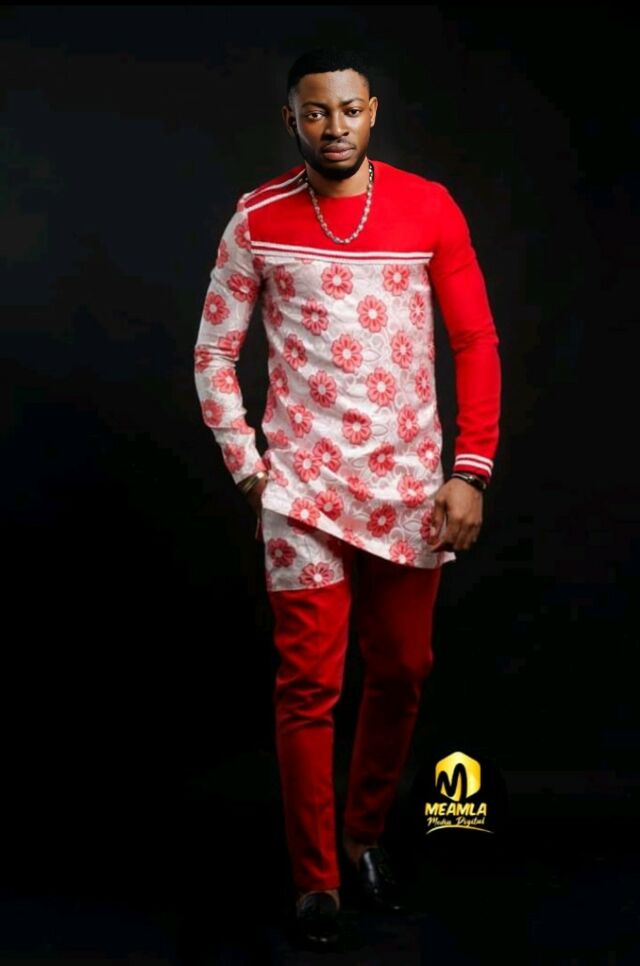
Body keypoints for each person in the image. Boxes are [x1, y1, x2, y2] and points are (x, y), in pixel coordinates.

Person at [193, 46, 501, 947]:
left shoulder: (429, 206)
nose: (335, 127)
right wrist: (249, 467)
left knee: (403, 670)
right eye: (316, 112)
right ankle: (315, 880)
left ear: (373, 113)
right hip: (300, 493)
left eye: (350, 110)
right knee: (308, 686)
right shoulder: (257, 219)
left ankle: (363, 837)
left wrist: (470, 470)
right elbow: (214, 352)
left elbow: (475, 340)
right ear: (292, 120)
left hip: (411, 486)